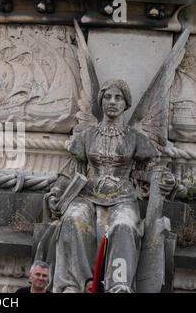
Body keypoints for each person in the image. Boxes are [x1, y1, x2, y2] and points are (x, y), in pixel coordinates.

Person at [47, 80, 175, 293]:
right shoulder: (87, 136)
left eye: (118, 98)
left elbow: (154, 166)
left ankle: (119, 285)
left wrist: (166, 179)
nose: (112, 102)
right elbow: (73, 168)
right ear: (101, 102)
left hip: (123, 198)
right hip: (87, 195)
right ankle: (74, 285)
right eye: (107, 97)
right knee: (73, 220)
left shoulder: (135, 137)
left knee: (123, 226)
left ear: (126, 104)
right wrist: (57, 192)